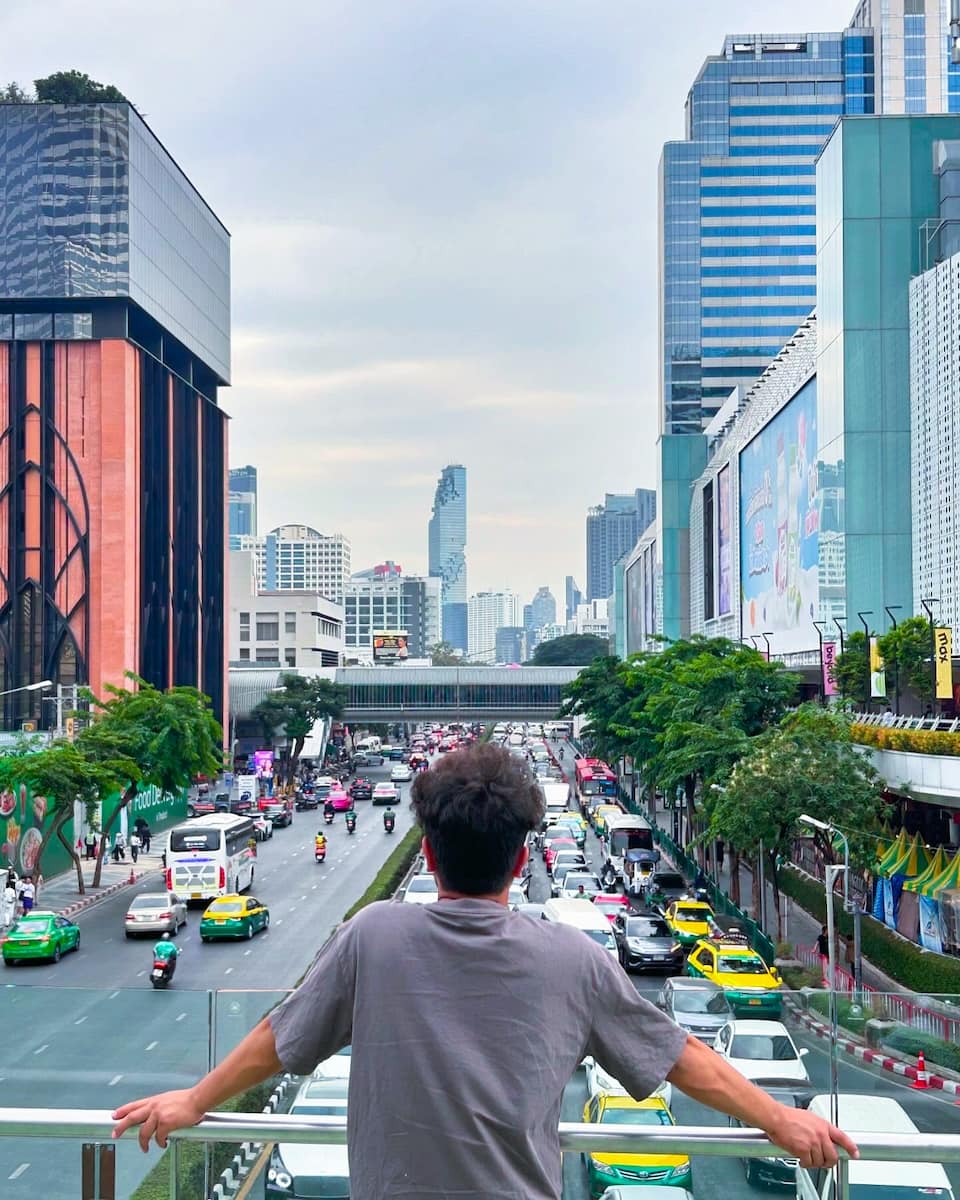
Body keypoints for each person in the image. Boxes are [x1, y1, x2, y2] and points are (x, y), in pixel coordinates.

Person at [112, 742, 858, 1197]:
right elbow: (683, 1058)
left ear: (428, 856)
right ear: (523, 858)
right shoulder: (574, 959)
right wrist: (782, 1118)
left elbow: (279, 1038)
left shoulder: (373, 936)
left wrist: (193, 1103)